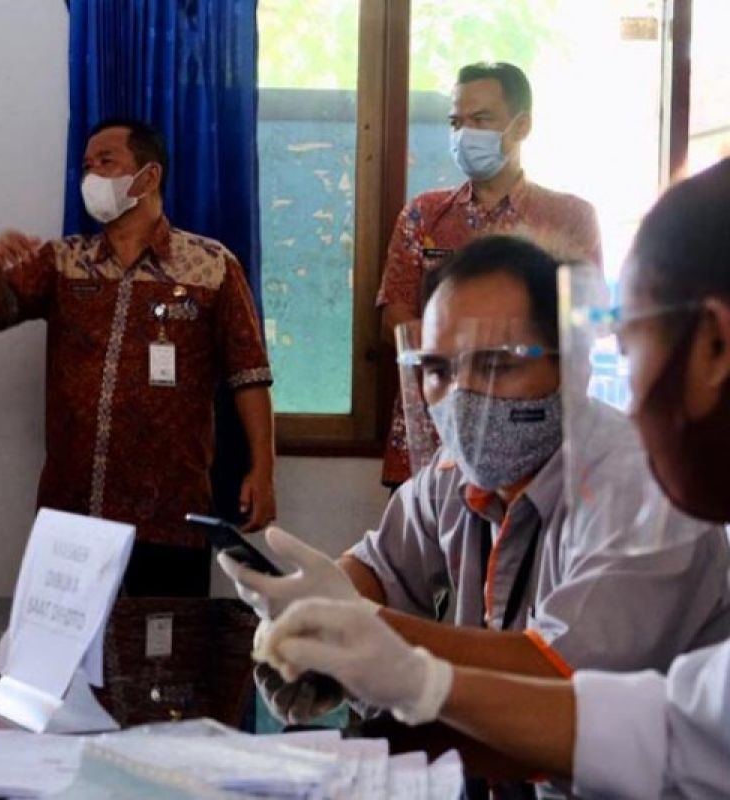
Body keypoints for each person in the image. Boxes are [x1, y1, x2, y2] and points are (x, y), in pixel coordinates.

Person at [257, 158, 730, 798]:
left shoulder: (643, 493)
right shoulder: (454, 476)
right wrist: (314, 613)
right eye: (438, 369)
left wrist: (375, 642)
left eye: (497, 364)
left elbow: (563, 685)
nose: (460, 396)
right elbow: (675, 731)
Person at [0, 118, 276, 596]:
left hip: (171, 514)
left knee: (166, 662)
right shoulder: (64, 261)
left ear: (148, 177)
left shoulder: (212, 267)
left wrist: (263, 469)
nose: (92, 175)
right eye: (87, 166)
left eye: (106, 162)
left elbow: (249, 374)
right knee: (69, 663)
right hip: (73, 512)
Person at [377, 62, 602, 487]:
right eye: (455, 122)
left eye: (480, 120)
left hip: (533, 440)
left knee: (523, 549)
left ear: (522, 126)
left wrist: (505, 356)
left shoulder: (568, 218)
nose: (464, 134)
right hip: (429, 436)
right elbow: (396, 316)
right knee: (413, 549)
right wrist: (459, 357)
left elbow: (582, 326)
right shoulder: (424, 214)